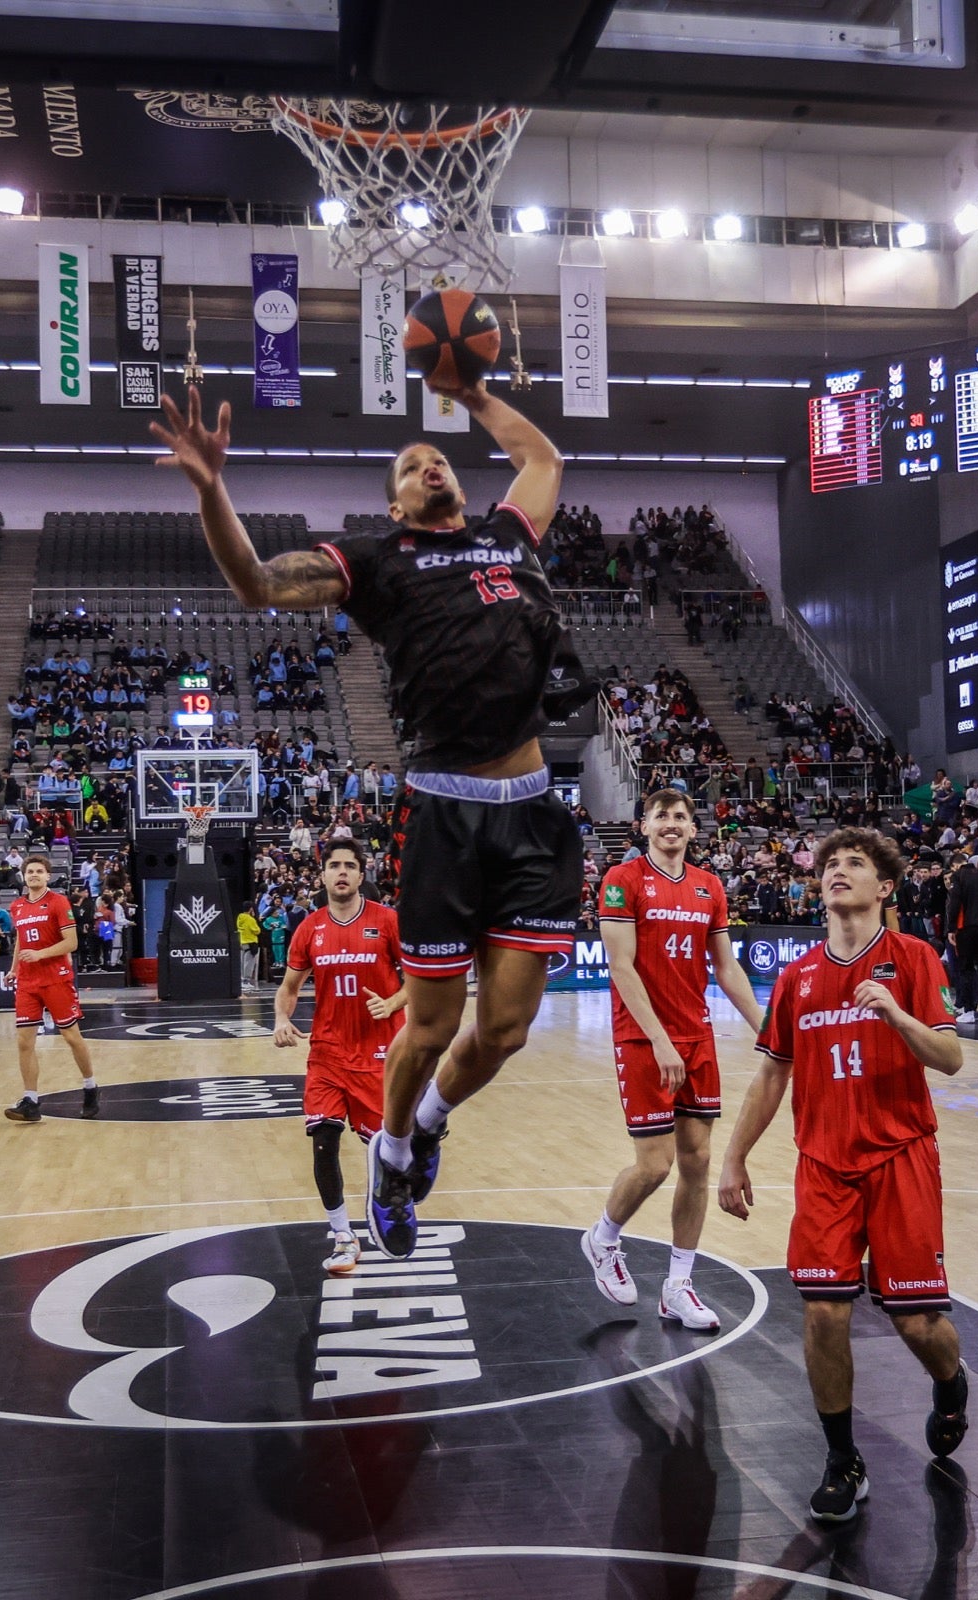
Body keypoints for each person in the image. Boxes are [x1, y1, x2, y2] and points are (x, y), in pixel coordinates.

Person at [152, 370, 589, 1262]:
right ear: (392, 499)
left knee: (502, 1031)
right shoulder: (377, 560)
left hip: (534, 811)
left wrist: (467, 393)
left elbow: (541, 456)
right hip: (447, 812)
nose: (430, 464)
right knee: (428, 1029)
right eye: (411, 463)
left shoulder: (507, 535)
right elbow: (259, 585)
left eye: (438, 459)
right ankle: (389, 1155)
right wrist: (212, 489)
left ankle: (423, 1126)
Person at [717, 828, 968, 1525]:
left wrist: (895, 1015)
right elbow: (771, 1073)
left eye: (853, 863)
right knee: (824, 1311)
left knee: (918, 1325)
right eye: (829, 863)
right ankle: (841, 1459)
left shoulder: (913, 958)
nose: (837, 871)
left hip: (900, 1157)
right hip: (825, 1164)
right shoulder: (797, 976)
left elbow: (948, 1057)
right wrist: (733, 1156)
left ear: (884, 888)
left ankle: (949, 1387)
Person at [583, 790, 764, 1331]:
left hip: (697, 1037)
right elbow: (620, 965)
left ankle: (678, 1286)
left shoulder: (710, 887)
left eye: (680, 816)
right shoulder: (623, 878)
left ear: (692, 829)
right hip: (643, 1038)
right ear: (644, 826)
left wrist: (768, 1028)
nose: (671, 824)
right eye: (661, 816)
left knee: (698, 1162)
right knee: (655, 1164)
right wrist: (659, 1039)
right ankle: (603, 1238)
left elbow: (728, 969)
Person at [272, 840, 407, 1275]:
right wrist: (279, 1018)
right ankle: (343, 1236)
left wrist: (393, 1003)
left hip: (379, 1054)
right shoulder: (310, 928)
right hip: (328, 1054)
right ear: (324, 875)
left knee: (387, 1156)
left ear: (362, 874)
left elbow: (420, 981)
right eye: (334, 865)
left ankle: (391, 1209)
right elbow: (290, 988)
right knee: (323, 1141)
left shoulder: (387, 921)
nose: (342, 872)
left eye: (350, 865)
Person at [4, 853, 99, 1123]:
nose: (33, 875)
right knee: (24, 1042)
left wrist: (41, 955)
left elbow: (71, 943)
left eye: (38, 871)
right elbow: (22, 942)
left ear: (47, 875)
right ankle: (31, 1100)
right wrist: (14, 969)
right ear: (24, 876)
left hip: (56, 978)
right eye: (29, 871)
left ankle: (91, 1087)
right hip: (27, 982)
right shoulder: (17, 907)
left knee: (71, 1037)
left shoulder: (58, 902)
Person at [945, 852, 978, 1023]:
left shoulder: (958, 876)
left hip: (966, 927)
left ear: (957, 865)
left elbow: (954, 903)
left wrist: (951, 928)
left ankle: (968, 1011)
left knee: (966, 968)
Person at [236, 901, 262, 992]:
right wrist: (254, 917)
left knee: (243, 962)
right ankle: (246, 981)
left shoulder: (239, 917)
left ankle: (242, 979)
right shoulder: (250, 919)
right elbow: (257, 931)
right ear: (250, 908)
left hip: (243, 941)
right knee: (249, 962)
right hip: (251, 942)